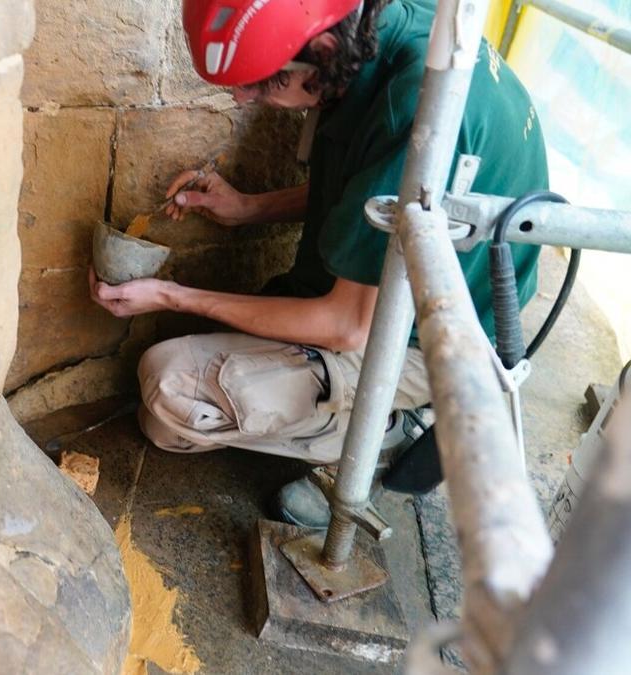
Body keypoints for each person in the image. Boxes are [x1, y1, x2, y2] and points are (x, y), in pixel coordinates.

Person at [88, 0, 547, 527]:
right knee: (189, 359)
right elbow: (371, 191)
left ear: (324, 51)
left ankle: (387, 431)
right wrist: (247, 209)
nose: (241, 98)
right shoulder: (379, 27)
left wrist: (172, 293)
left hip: (434, 338)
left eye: (263, 83)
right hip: (389, 289)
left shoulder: (414, 111)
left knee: (168, 398)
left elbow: (346, 325)